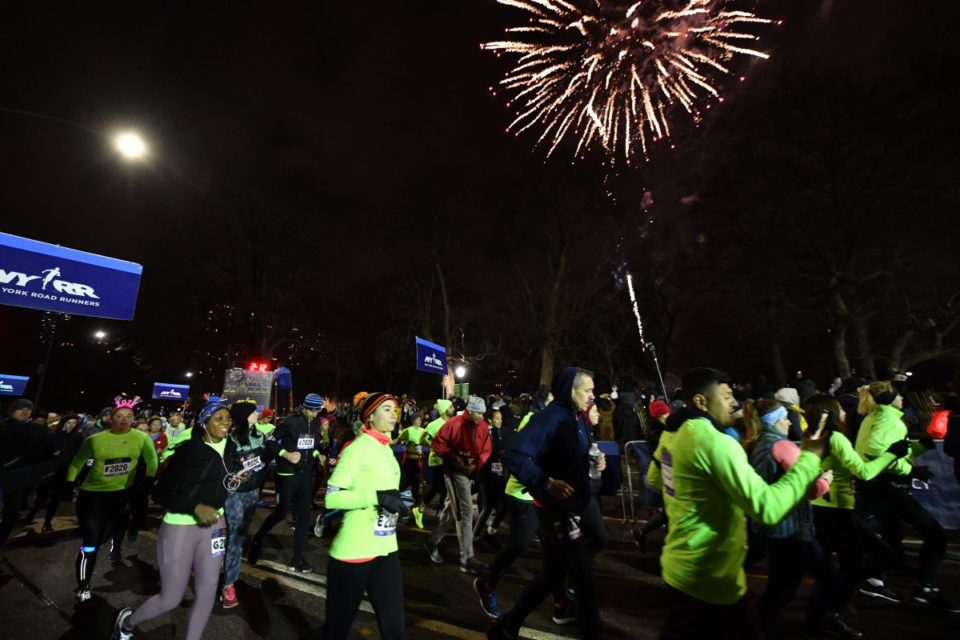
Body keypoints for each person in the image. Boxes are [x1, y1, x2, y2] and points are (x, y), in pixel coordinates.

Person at [648, 368, 830, 640]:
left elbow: (656, 479)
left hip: (681, 565)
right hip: (710, 574)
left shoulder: (672, 432)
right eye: (726, 396)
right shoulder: (715, 442)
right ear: (700, 401)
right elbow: (767, 508)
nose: (734, 402)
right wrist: (810, 460)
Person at [112, 399, 248, 640]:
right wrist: (195, 506)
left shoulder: (230, 449)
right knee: (171, 598)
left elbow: (220, 482)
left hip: (215, 526)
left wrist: (234, 481)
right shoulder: (189, 451)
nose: (226, 423)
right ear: (203, 423)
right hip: (180, 526)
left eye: (228, 419)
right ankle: (128, 622)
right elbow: (161, 493)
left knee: (207, 593)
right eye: (219, 419)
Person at [488, 368, 606, 639]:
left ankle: (507, 626)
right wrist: (545, 483)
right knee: (583, 582)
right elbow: (514, 454)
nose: (592, 396)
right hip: (559, 510)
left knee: (557, 571)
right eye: (587, 390)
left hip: (579, 502)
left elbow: (577, 455)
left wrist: (595, 462)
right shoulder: (550, 418)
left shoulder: (577, 418)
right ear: (570, 390)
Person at [743, 398, 858, 639]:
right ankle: (816, 625)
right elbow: (808, 487)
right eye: (784, 418)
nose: (789, 422)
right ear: (774, 421)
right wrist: (826, 478)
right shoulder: (782, 446)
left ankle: (760, 627)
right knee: (817, 578)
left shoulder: (756, 443)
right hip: (791, 528)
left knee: (783, 586)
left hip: (772, 526)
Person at [474, 390, 574, 625]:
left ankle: (560, 604)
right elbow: (521, 457)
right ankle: (486, 585)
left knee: (555, 551)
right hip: (524, 495)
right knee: (518, 545)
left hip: (539, 496)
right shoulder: (535, 421)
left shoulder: (548, 420)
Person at [854, 381, 956, 610]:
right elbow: (875, 450)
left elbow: (896, 449)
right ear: (891, 398)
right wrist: (910, 470)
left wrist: (922, 447)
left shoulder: (875, 416)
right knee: (936, 535)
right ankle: (924, 588)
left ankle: (872, 580)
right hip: (886, 486)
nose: (902, 399)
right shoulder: (888, 419)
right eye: (899, 395)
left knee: (892, 538)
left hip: (877, 486)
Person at [802, 393, 907, 613]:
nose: (844, 411)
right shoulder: (836, 438)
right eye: (839, 407)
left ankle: (829, 608)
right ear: (829, 412)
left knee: (835, 566)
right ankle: (828, 609)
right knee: (879, 558)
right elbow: (864, 472)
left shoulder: (809, 435)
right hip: (838, 511)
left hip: (821, 509)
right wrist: (891, 454)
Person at [319, 392, 406, 640]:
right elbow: (332, 498)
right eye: (387, 409)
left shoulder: (385, 447)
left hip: (386, 549)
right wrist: (376, 497)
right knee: (336, 631)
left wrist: (399, 499)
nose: (394, 414)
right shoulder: (357, 449)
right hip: (353, 554)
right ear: (370, 416)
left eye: (395, 409)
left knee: (395, 631)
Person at [66, 396, 158, 603]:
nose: (124, 419)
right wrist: (68, 483)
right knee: (90, 543)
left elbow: (152, 460)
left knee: (101, 539)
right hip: (93, 496)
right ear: (110, 418)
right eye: (119, 416)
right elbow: (77, 462)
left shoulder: (141, 438)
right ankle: (83, 586)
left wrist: (149, 479)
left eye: (129, 416)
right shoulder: (95, 440)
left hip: (120, 496)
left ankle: (101, 551)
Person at [248, 392, 325, 571]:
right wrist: (286, 455)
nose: (315, 415)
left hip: (306, 474)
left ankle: (297, 560)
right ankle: (258, 538)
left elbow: (310, 445)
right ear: (304, 408)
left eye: (317, 411)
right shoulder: (290, 422)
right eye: (312, 411)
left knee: (303, 517)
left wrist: (316, 454)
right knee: (281, 513)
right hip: (287, 474)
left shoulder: (315, 422)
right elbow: (271, 442)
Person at [220, 399, 278, 609]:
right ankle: (228, 585)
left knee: (240, 536)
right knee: (235, 539)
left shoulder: (260, 435)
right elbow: (227, 469)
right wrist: (236, 473)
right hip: (234, 495)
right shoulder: (230, 440)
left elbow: (263, 460)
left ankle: (228, 569)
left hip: (253, 493)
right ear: (244, 416)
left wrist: (271, 449)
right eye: (253, 412)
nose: (257, 415)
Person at [424, 395, 492, 573]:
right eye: (478, 414)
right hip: (453, 471)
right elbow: (437, 442)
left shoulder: (483, 426)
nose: (482, 417)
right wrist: (453, 458)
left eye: (483, 414)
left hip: (469, 471)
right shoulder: (454, 423)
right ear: (470, 411)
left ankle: (432, 541)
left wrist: (475, 465)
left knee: (452, 508)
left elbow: (486, 449)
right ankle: (467, 557)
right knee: (465, 509)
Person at [1, 398, 56, 548]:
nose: (25, 412)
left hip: (19, 479)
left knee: (11, 513)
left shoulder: (38, 431)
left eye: (29, 409)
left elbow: (47, 454)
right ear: (13, 410)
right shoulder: (3, 426)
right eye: (21, 408)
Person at [632, 399, 671, 551]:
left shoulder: (656, 429)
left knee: (667, 511)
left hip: (658, 474)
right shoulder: (661, 432)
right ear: (662, 414)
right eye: (667, 411)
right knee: (669, 511)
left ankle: (642, 533)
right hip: (660, 475)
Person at [39, 413, 84, 532]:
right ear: (63, 422)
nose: (71, 425)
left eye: (74, 423)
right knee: (42, 495)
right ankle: (33, 512)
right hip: (49, 470)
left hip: (64, 471)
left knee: (55, 498)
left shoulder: (77, 437)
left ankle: (47, 522)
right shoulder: (53, 435)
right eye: (69, 422)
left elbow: (77, 454)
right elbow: (44, 452)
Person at [475, 408, 507, 542]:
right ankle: (475, 535)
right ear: (489, 420)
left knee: (504, 504)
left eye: (501, 418)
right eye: (497, 418)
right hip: (486, 475)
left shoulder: (498, 433)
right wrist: (497, 454)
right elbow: (484, 454)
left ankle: (491, 531)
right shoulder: (486, 433)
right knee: (487, 507)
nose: (500, 421)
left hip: (497, 474)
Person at [420, 398, 455, 511]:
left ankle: (422, 506)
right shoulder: (434, 424)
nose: (453, 409)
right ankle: (442, 513)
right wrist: (433, 446)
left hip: (448, 460)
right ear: (444, 410)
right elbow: (422, 439)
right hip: (437, 460)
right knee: (444, 488)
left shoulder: (452, 422)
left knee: (436, 487)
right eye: (451, 407)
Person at [394, 410, 427, 529]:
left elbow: (428, 442)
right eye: (417, 419)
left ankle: (413, 506)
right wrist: (387, 443)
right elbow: (397, 441)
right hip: (409, 460)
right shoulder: (407, 431)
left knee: (415, 482)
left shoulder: (423, 431)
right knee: (414, 481)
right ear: (413, 420)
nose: (420, 421)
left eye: (420, 419)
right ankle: (412, 505)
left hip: (419, 460)